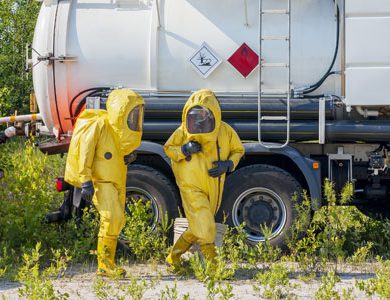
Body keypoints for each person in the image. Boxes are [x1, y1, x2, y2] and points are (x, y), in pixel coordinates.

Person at [64, 89, 144, 277]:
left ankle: (108, 262)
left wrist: (128, 156)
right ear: (120, 111)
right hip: (101, 181)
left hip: (116, 179)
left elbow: (115, 153)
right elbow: (86, 153)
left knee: (117, 220)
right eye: (131, 113)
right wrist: (85, 181)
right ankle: (104, 265)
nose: (134, 118)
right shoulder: (99, 125)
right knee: (111, 217)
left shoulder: (118, 131)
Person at [164, 89, 245, 268]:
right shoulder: (183, 131)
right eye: (196, 113)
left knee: (198, 224)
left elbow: (238, 150)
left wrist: (228, 165)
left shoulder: (225, 131)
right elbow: (169, 149)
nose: (200, 117)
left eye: (204, 113)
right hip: (190, 185)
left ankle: (173, 258)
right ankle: (213, 266)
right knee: (206, 225)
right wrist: (184, 150)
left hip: (214, 186)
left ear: (213, 112)